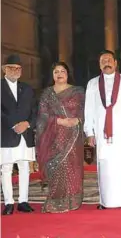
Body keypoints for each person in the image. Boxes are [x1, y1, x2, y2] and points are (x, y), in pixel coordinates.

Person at [84, 50, 121, 209]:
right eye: (103, 61)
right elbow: (89, 110)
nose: (106, 63)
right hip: (102, 132)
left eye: (109, 60)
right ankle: (105, 201)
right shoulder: (92, 83)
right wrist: (89, 133)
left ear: (115, 63)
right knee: (105, 165)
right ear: (99, 64)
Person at [36, 62, 85, 213]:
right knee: (56, 166)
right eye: (56, 71)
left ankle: (72, 200)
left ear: (68, 73)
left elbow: (85, 110)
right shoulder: (47, 93)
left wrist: (78, 120)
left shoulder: (78, 91)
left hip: (73, 134)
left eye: (62, 71)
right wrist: (59, 121)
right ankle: (56, 199)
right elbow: (42, 116)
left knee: (72, 166)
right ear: (52, 75)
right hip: (53, 135)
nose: (59, 74)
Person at [0, 54, 36, 215]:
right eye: (11, 68)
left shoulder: (27, 88)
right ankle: (8, 203)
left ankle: (23, 201)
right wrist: (14, 124)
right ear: (4, 69)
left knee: (24, 167)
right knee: (6, 168)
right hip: (6, 134)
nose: (15, 70)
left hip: (25, 134)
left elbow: (35, 111)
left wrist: (27, 124)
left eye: (17, 68)